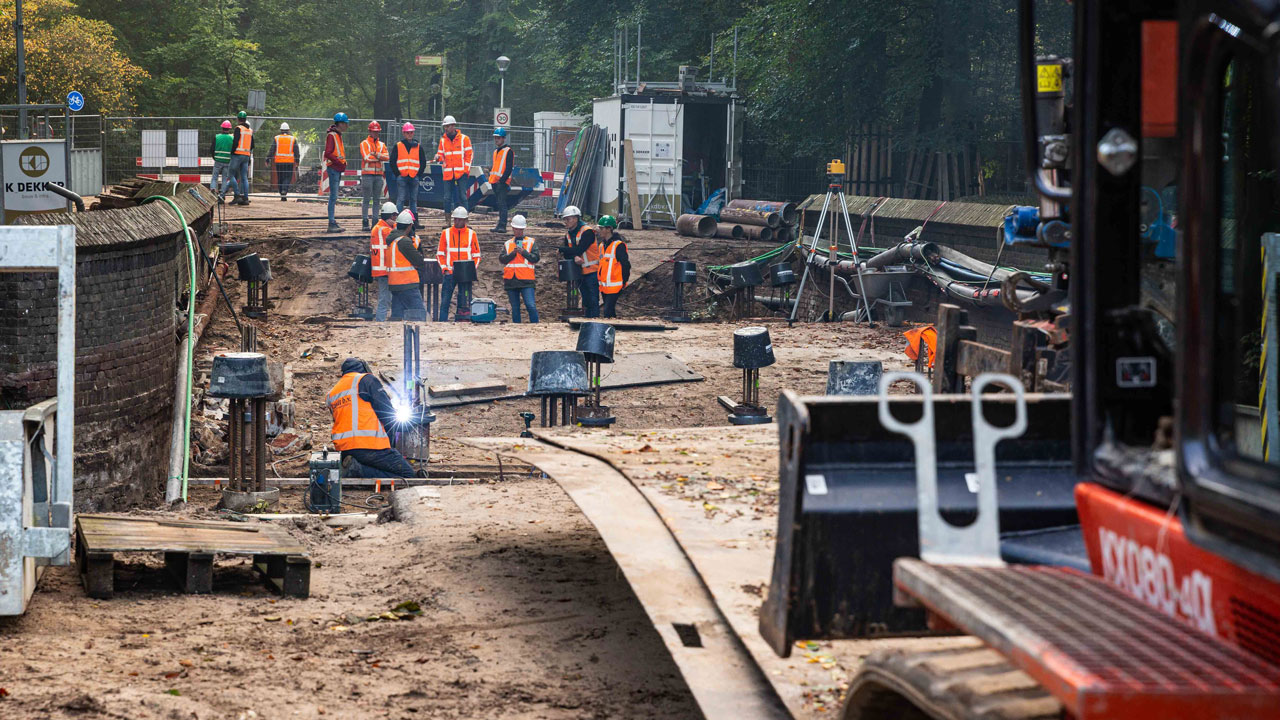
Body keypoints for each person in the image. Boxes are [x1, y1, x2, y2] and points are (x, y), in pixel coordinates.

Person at [328, 357, 419, 479]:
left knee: (377, 465)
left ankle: (355, 467)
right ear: (364, 369)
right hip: (370, 446)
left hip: (344, 449)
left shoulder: (332, 393)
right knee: (408, 475)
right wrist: (407, 426)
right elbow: (386, 412)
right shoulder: (366, 380)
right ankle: (356, 470)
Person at [436, 206, 481, 321]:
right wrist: (444, 269)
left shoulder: (472, 234)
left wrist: (471, 270)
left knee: (463, 301)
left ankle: (461, 321)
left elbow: (477, 255)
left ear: (465, 220)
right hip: (450, 273)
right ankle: (442, 322)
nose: (457, 221)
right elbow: (440, 254)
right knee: (445, 301)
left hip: (465, 275)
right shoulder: (446, 233)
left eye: (459, 219)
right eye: (455, 219)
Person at [558, 205, 601, 318]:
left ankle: (594, 320)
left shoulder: (587, 232)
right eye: (565, 219)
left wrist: (563, 250)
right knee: (586, 300)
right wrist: (574, 256)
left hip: (591, 271)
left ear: (576, 219)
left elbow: (579, 249)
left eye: (568, 219)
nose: (566, 221)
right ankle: (587, 320)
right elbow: (570, 253)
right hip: (579, 272)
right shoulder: (569, 234)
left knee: (593, 299)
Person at [387, 210, 429, 321]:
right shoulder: (404, 241)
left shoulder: (393, 240)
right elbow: (418, 260)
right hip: (407, 283)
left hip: (395, 283)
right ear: (410, 226)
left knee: (397, 316)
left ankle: (395, 336)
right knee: (419, 314)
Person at [499, 214, 539, 323]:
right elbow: (502, 259)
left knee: (531, 306)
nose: (518, 232)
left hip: (526, 280)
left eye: (520, 229)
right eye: (516, 229)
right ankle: (516, 328)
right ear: (513, 229)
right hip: (511, 280)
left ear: (523, 229)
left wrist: (524, 252)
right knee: (515, 309)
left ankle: (536, 327)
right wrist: (513, 253)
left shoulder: (531, 242)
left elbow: (535, 258)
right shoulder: (508, 244)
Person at [390, 122, 429, 227]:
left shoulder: (418, 147)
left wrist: (418, 174)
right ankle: (398, 222)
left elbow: (423, 161)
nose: (409, 134)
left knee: (413, 200)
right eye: (407, 133)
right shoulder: (398, 146)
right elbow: (392, 161)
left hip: (413, 176)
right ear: (404, 133)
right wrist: (398, 173)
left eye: (411, 132)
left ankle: (414, 222)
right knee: (401, 199)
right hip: (402, 176)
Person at [434, 115, 473, 214]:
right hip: (448, 174)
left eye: (447, 126)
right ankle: (448, 221)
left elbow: (469, 155)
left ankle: (464, 219)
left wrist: (466, 170)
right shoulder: (443, 141)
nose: (446, 128)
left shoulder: (464, 139)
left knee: (462, 197)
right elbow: (441, 155)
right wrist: (438, 157)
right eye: (445, 126)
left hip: (461, 173)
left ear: (453, 126)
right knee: (447, 198)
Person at [595, 215, 630, 318]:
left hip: (615, 286)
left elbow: (626, 265)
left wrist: (624, 281)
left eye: (601, 228)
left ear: (609, 229)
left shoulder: (618, 245)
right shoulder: (602, 245)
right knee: (609, 312)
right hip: (605, 286)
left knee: (607, 311)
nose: (599, 230)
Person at [370, 201, 398, 322]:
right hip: (384, 270)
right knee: (384, 299)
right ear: (391, 216)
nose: (396, 218)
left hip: (381, 269)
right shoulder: (384, 230)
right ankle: (380, 323)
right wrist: (397, 225)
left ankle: (383, 321)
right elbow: (399, 234)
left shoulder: (378, 227)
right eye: (395, 216)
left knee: (387, 298)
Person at [359, 121, 390, 230]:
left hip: (379, 175)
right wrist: (380, 157)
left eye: (377, 132)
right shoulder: (364, 143)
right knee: (366, 199)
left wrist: (376, 154)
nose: (376, 133)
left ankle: (375, 222)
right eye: (374, 131)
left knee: (377, 200)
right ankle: (365, 221)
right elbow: (367, 157)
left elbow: (387, 157)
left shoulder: (382, 145)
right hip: (367, 175)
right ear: (370, 131)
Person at [324, 112, 349, 233]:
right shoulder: (332, 136)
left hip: (336, 168)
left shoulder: (337, 135)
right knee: (333, 196)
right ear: (340, 123)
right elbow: (328, 153)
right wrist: (339, 162)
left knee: (334, 196)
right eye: (345, 123)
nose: (347, 126)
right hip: (334, 168)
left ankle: (332, 221)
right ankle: (331, 222)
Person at [488, 127, 514, 233]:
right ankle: (499, 225)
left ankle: (502, 225)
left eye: (498, 138)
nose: (496, 140)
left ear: (503, 138)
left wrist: (502, 181)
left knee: (502, 204)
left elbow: (508, 168)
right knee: (499, 204)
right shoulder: (495, 152)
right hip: (495, 182)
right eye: (495, 138)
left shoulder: (508, 151)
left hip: (502, 183)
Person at [226, 111, 253, 205]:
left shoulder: (238, 128)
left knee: (231, 174)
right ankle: (245, 198)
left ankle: (237, 195)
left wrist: (232, 152)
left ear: (238, 119)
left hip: (237, 155)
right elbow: (252, 145)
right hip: (246, 155)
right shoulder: (250, 131)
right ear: (245, 119)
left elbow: (236, 142)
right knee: (244, 177)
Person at [272, 122, 301, 201]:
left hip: (279, 162)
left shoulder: (277, 138)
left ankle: (281, 192)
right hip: (289, 162)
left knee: (280, 177)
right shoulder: (292, 139)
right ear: (288, 130)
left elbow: (272, 149)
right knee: (287, 177)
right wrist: (297, 160)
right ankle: (284, 190)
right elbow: (296, 151)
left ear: (281, 130)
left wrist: (268, 158)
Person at [208, 120, 234, 202]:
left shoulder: (217, 137)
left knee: (214, 177)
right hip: (227, 161)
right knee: (224, 179)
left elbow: (212, 149)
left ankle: (213, 190)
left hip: (218, 160)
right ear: (229, 129)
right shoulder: (232, 138)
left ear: (222, 128)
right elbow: (233, 150)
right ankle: (222, 195)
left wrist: (215, 157)